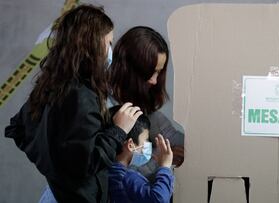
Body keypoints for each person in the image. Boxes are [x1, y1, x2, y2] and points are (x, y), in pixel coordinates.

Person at [4, 5, 142, 203]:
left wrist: (54, 170)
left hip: (55, 195)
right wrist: (119, 130)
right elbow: (86, 165)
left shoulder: (53, 85)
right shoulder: (81, 96)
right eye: (108, 43)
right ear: (91, 45)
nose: (111, 52)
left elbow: (20, 129)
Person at [108, 26, 184, 180]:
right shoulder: (105, 108)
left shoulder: (149, 114)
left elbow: (175, 138)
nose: (155, 81)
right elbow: (120, 171)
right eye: (151, 72)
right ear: (131, 69)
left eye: (159, 72)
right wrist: (163, 161)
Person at [108, 115, 174, 203]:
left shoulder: (110, 170)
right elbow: (159, 199)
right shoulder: (126, 177)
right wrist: (165, 168)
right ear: (130, 145)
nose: (148, 144)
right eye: (146, 140)